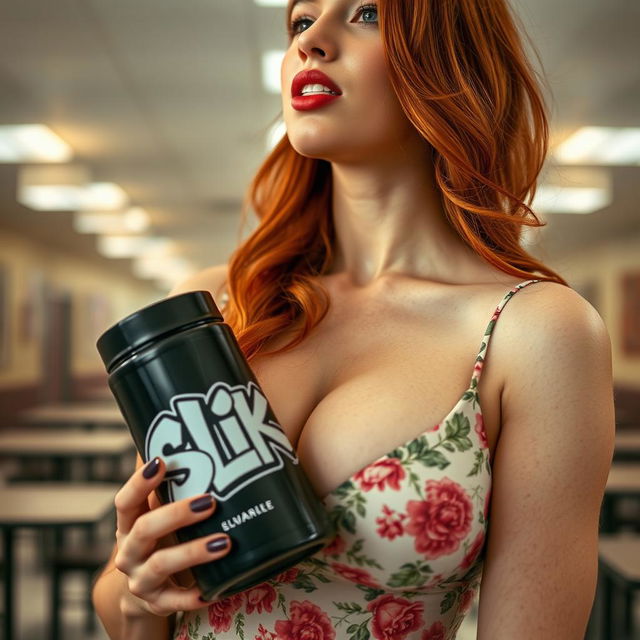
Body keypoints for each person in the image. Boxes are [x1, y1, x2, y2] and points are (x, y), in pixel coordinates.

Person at [92, 0, 616, 638]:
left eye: (366, 12)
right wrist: (139, 594)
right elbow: (130, 608)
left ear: (455, 58)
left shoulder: (535, 330)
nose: (313, 40)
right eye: (300, 21)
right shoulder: (220, 306)